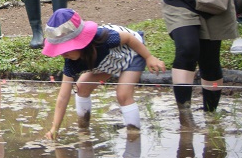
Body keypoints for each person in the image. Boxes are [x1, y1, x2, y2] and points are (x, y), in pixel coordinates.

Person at [42, 9, 165, 140]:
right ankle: (83, 128)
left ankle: (133, 134)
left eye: (66, 48)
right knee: (81, 87)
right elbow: (63, 96)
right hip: (107, 63)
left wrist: (149, 57)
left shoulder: (104, 38)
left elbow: (129, 38)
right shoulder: (71, 61)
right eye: (60, 50)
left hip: (131, 54)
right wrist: (55, 128)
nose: (63, 54)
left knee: (123, 94)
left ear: (81, 41)